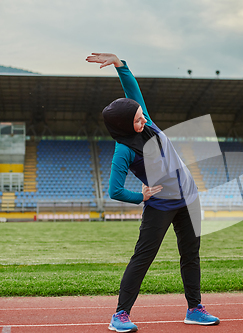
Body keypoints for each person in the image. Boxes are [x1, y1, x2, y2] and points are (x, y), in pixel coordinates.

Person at [86, 53, 219, 332]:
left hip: (189, 198)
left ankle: (194, 308)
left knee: (191, 255)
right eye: (136, 120)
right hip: (160, 206)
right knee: (143, 258)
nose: (143, 121)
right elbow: (114, 190)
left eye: (141, 115)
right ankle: (120, 315)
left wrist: (120, 64)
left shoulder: (145, 119)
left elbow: (132, 91)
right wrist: (141, 197)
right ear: (123, 125)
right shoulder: (123, 150)